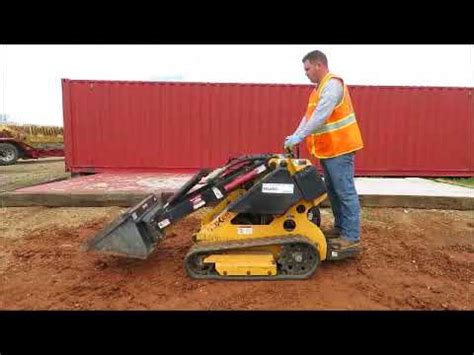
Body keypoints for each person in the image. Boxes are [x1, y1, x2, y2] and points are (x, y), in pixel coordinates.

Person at [284, 50, 364, 251]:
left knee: (344, 192)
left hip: (341, 149)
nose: (306, 73)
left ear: (319, 65)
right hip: (329, 150)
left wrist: (300, 136)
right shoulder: (317, 89)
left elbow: (320, 116)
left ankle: (351, 236)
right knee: (334, 192)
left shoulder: (332, 85)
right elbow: (308, 116)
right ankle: (340, 229)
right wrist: (295, 135)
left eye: (307, 68)